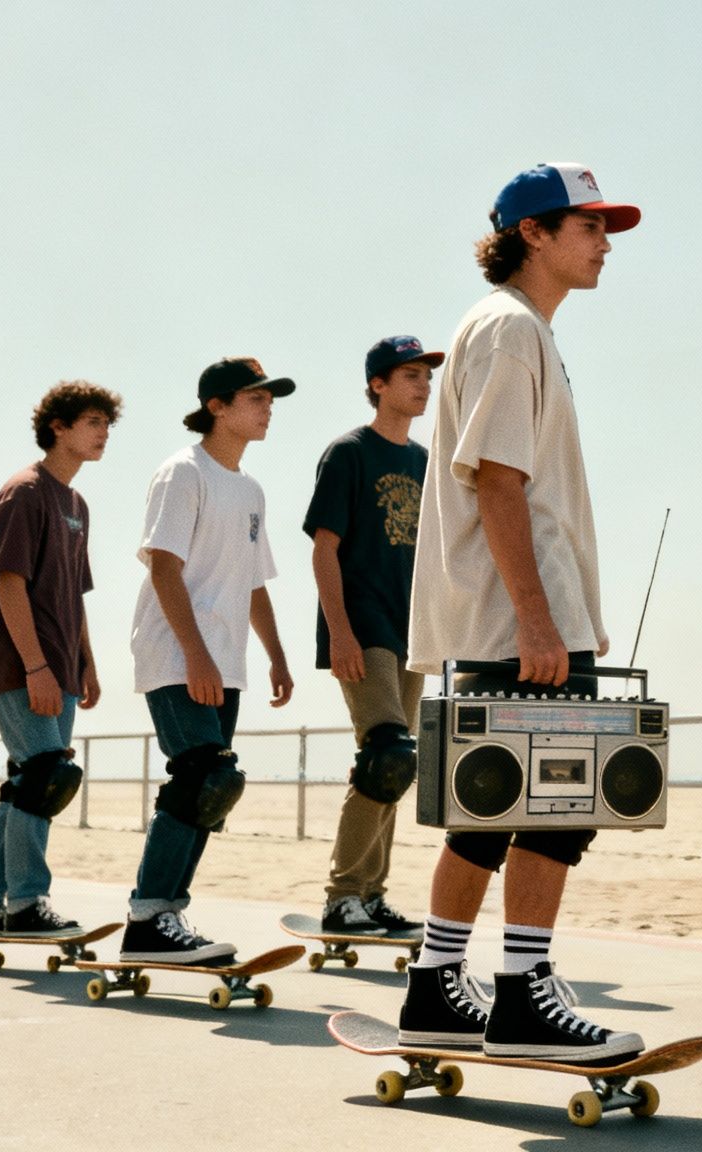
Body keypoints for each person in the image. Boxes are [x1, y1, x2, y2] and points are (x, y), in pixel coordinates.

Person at [397, 163, 643, 1063]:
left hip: (512, 615)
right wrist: (539, 620)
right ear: (531, 233)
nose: (604, 242)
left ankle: (434, 984)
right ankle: (525, 993)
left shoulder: (512, 330)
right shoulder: (509, 330)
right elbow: (497, 479)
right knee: (555, 808)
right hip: (523, 620)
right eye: (588, 226)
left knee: (492, 806)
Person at [119, 358, 296, 963]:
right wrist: (195, 655)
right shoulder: (182, 473)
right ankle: (148, 920)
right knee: (201, 777)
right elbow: (163, 566)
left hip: (227, 660)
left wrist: (276, 655)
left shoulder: (249, 490)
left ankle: (165, 918)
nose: (268, 406)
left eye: (270, 398)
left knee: (214, 788)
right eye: (255, 397)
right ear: (217, 406)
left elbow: (253, 583)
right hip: (176, 652)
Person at [0, 383, 120, 934]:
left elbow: (73, 593)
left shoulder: (76, 503)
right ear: (59, 425)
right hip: (22, 663)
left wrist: (87, 664)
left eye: (107, 424)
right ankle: (25, 904)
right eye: (94, 422)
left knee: (30, 782)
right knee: (46, 777)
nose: (104, 434)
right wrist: (35, 667)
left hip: (61, 664)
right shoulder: (25, 492)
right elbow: (9, 585)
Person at [303, 335, 443, 938]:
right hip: (363, 626)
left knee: (398, 762)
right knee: (384, 753)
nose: (423, 386)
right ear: (378, 385)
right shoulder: (348, 453)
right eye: (410, 375)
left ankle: (372, 895)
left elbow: (435, 557)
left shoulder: (424, 460)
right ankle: (342, 898)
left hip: (411, 631)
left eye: (426, 377)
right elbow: (324, 549)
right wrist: (339, 632)